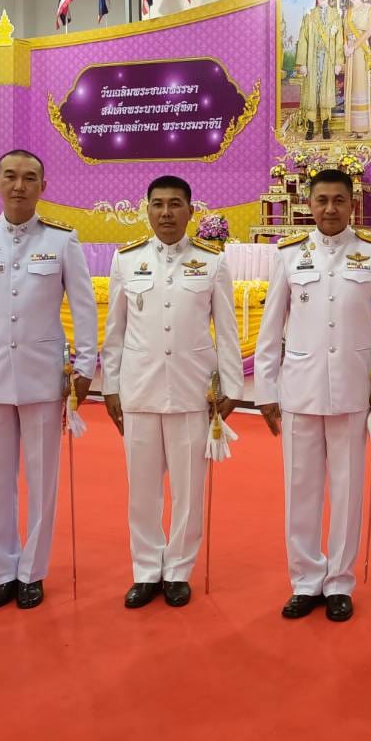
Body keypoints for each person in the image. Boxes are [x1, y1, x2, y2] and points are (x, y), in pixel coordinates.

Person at [0, 149, 98, 611]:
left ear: (43, 186)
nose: (19, 185)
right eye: (10, 176)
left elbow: (84, 307)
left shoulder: (62, 240)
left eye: (29, 178)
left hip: (43, 376)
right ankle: (3, 571)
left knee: (42, 479)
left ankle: (32, 571)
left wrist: (85, 367)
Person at [254, 168, 371, 621]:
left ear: (352, 204)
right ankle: (305, 580)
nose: (330, 209)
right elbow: (270, 328)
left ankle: (339, 580)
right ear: (308, 204)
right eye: (321, 200)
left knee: (347, 490)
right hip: (299, 389)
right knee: (300, 490)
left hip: (354, 388)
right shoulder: (289, 255)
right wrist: (266, 389)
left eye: (339, 200)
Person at [101, 176, 244, 610]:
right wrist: (111, 385)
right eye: (158, 204)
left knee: (188, 489)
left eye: (175, 204)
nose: (166, 212)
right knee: (142, 491)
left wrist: (232, 386)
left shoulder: (212, 262)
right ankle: (146, 570)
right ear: (147, 209)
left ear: (190, 211)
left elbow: (227, 331)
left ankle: (179, 570)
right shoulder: (127, 259)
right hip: (139, 389)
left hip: (192, 390)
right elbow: (115, 329)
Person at [294, 0, 341, 142]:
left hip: (328, 59)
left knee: (326, 90)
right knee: (312, 91)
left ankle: (326, 126)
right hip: (312, 59)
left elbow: (339, 40)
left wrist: (338, 62)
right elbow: (303, 39)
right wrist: (302, 63)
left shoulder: (335, 16)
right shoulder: (309, 16)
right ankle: (311, 126)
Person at [342, 0, 371, 135]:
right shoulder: (347, 12)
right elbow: (344, 32)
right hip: (349, 52)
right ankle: (352, 126)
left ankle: (362, 126)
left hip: (361, 49)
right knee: (350, 86)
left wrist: (353, 47)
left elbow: (368, 31)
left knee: (360, 85)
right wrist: (345, 46)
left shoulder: (368, 8)